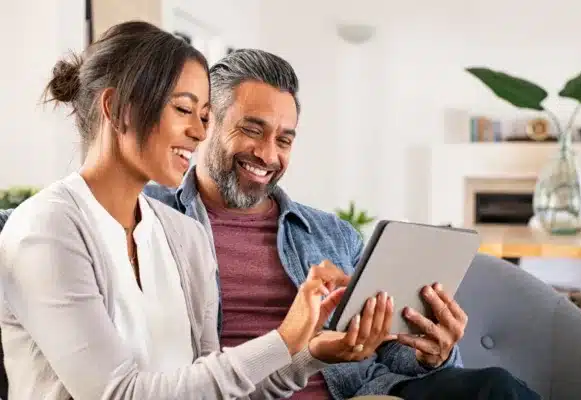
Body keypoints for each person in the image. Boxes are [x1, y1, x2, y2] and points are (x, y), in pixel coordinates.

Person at [0, 21, 389, 400]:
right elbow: (117, 393)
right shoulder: (47, 228)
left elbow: (214, 389)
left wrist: (308, 354)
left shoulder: (183, 234)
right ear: (118, 108)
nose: (200, 133)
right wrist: (284, 337)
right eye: (184, 110)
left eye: (204, 116)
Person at [140, 49, 541, 400]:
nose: (267, 154)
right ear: (206, 122)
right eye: (252, 129)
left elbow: (389, 352)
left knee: (497, 388)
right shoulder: (152, 218)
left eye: (284, 140)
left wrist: (430, 352)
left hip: (364, 392)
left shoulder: (331, 234)